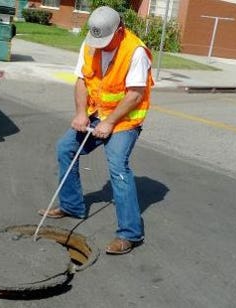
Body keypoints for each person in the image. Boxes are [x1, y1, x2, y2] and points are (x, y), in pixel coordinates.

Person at [38, 6, 154, 255]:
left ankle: (130, 234)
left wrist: (110, 122)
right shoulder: (89, 44)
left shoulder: (136, 52)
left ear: (120, 30)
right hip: (95, 113)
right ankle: (71, 206)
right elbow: (81, 80)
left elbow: (135, 95)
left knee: (118, 167)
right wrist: (81, 113)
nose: (100, 46)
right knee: (65, 148)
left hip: (124, 121)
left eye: (106, 41)